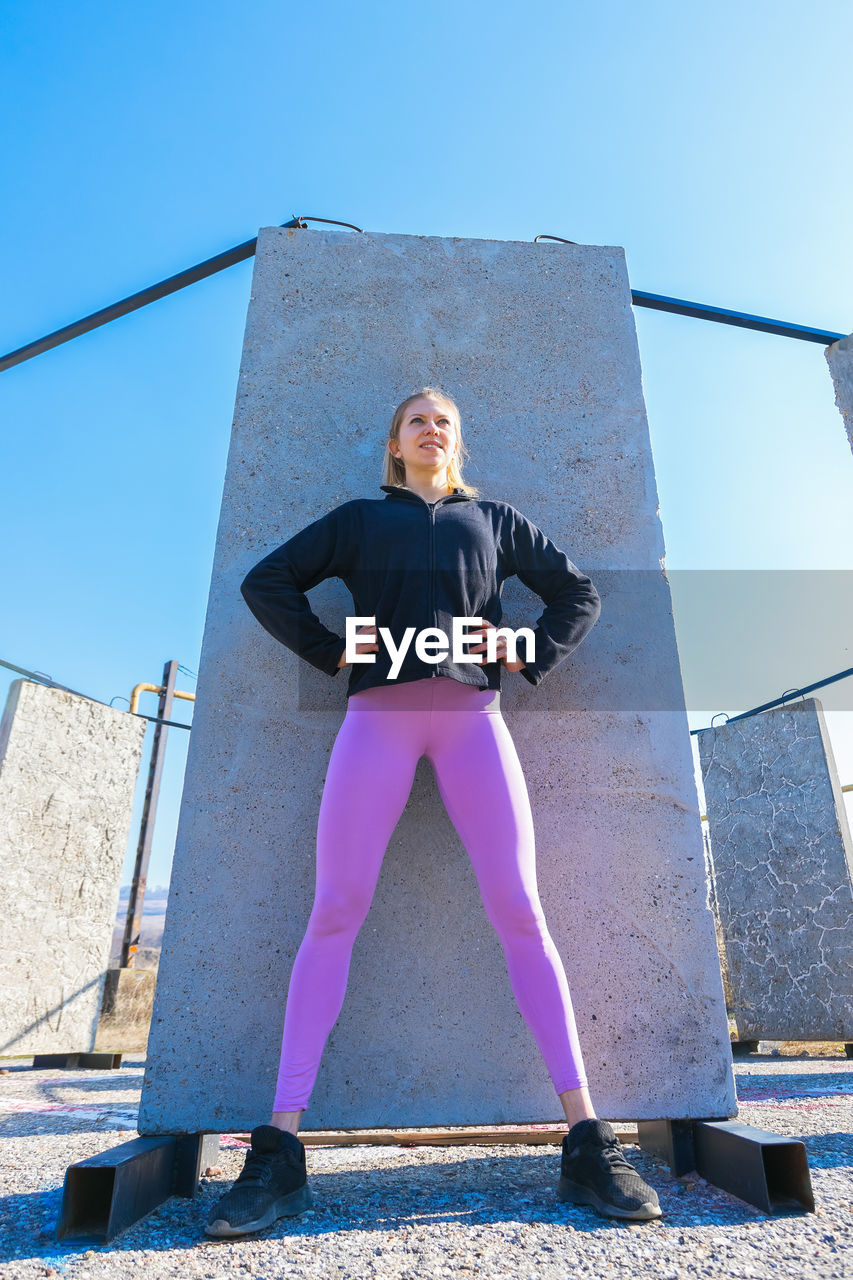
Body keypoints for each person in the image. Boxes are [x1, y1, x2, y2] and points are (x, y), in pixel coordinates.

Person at [205, 387, 662, 1238]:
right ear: (393, 442)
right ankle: (278, 1150)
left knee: (521, 909)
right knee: (335, 907)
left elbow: (578, 595)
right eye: (415, 419)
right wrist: (328, 644)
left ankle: (587, 1138)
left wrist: (523, 647)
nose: (429, 428)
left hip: (473, 724)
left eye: (442, 420)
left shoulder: (493, 520)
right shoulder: (356, 519)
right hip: (374, 721)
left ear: (457, 440)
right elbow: (264, 581)